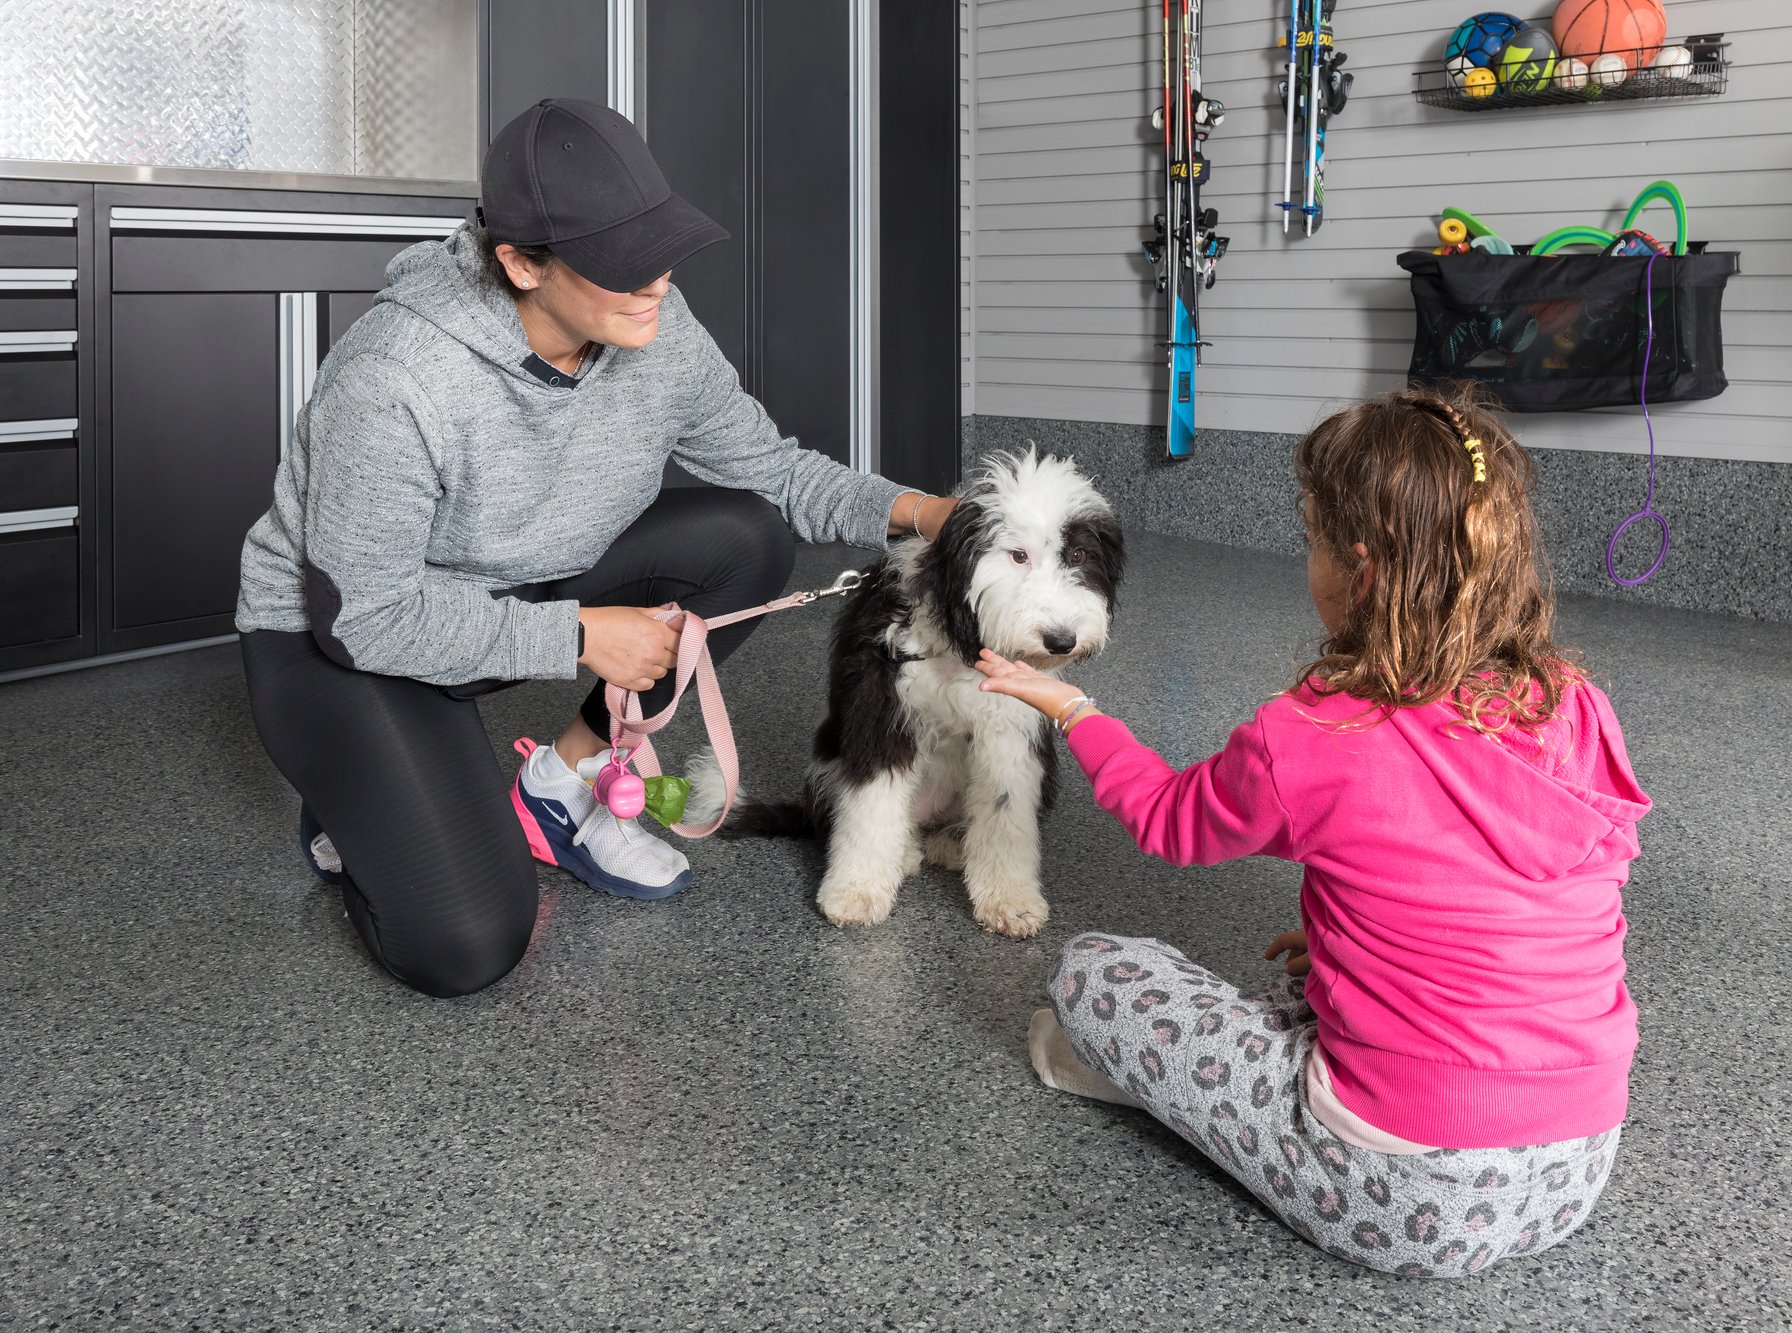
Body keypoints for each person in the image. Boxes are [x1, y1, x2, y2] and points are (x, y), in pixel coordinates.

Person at [235, 99, 954, 998]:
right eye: (620, 262)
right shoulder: (398, 376)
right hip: (341, 643)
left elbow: (773, 470)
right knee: (465, 945)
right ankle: (354, 791)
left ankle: (562, 783)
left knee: (745, 540)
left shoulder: (654, 324)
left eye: (658, 246)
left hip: (517, 590)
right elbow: (369, 619)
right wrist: (577, 633)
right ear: (521, 263)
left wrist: (928, 513)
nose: (654, 279)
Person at [973, 386, 1649, 1277]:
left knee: (1093, 973)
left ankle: (1141, 1085)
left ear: (1360, 569)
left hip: (1404, 1200)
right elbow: (1519, 900)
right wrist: (1359, 933)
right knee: (1322, 993)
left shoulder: (1316, 734)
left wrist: (1073, 706)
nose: (1310, 562)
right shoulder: (1574, 701)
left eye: (1313, 542)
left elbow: (1168, 820)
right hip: (1578, 1163)